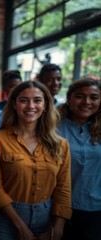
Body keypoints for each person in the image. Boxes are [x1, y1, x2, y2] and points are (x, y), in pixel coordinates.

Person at [0, 81, 71, 240]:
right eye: (23, 100)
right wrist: (20, 227)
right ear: (14, 104)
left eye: (37, 100)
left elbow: (63, 188)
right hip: (7, 217)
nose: (30, 106)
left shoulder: (60, 144)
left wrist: (58, 228)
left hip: (47, 217)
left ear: (45, 105)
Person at [57, 78, 101, 240]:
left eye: (94, 97)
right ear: (69, 99)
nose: (87, 102)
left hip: (96, 210)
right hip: (58, 209)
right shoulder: (52, 127)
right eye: (80, 96)